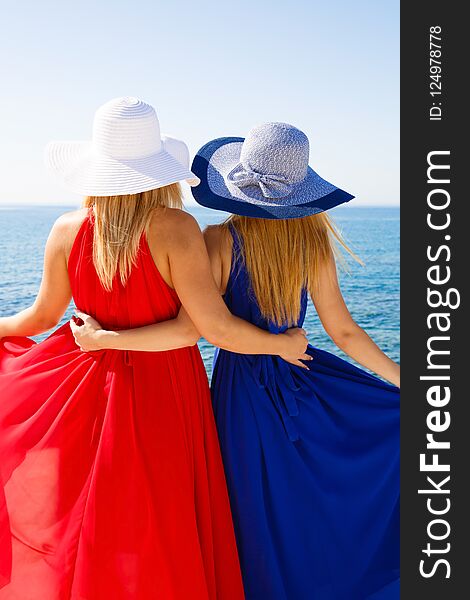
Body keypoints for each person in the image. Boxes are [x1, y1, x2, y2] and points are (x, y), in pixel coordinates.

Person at [72, 123, 400, 599]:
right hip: (301, 374)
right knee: (306, 493)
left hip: (241, 389)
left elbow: (201, 327)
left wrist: (108, 337)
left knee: (246, 500)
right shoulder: (313, 245)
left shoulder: (216, 242)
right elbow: (344, 332)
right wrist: (401, 381)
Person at [0, 101, 308, 600]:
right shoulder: (175, 228)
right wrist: (282, 344)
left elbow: (36, 320)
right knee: (160, 520)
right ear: (158, 168)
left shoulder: (65, 229)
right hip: (163, 392)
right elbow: (206, 330)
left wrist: (93, 341)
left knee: (93, 520)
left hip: (89, 391)